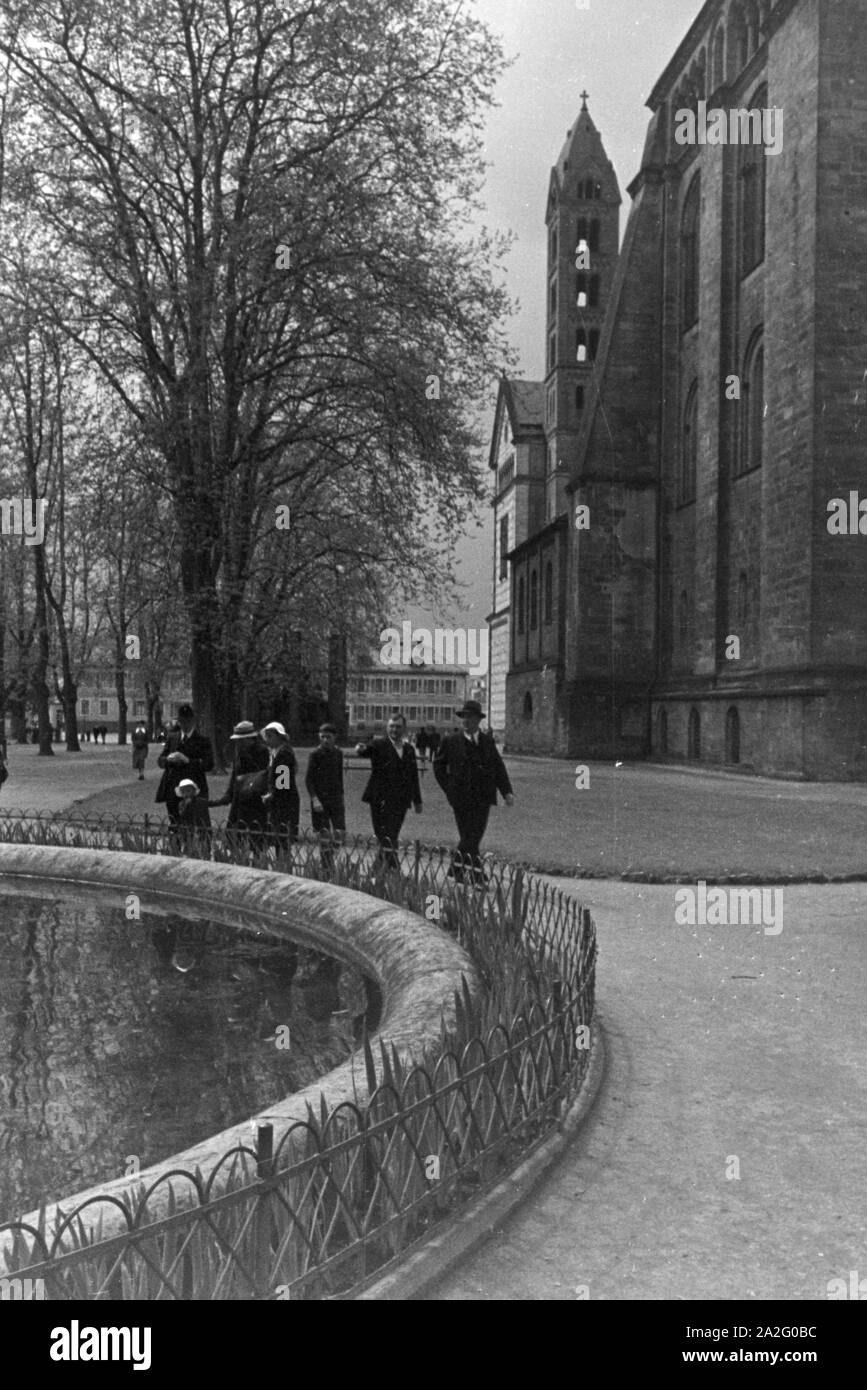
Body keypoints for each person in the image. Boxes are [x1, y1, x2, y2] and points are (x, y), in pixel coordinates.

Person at [433, 699, 514, 884]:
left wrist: (506, 791)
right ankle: (475, 874)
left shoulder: (487, 741)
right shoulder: (451, 741)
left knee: (472, 836)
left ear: (478, 720)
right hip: (460, 798)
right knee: (469, 836)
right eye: (463, 717)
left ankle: (458, 870)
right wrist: (449, 788)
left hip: (483, 797)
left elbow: (498, 767)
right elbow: (438, 765)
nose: (466, 720)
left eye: (470, 717)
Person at [355, 713, 422, 870]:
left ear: (404, 729)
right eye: (391, 726)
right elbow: (366, 750)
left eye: (398, 726)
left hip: (400, 800)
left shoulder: (409, 749)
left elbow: (413, 777)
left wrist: (417, 801)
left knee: (391, 835)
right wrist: (360, 749)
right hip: (379, 799)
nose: (394, 730)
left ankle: (380, 868)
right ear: (387, 728)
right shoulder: (380, 745)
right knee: (384, 835)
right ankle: (393, 868)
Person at [209, 720, 270, 854]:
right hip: (239, 803)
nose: (238, 743)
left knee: (257, 844)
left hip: (255, 804)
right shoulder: (241, 753)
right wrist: (228, 795)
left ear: (250, 738)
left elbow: (262, 776)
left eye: (241, 740)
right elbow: (235, 778)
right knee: (234, 841)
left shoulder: (262, 752)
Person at [155, 703, 215, 826]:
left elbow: (209, 764)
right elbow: (160, 760)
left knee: (193, 824)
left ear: (193, 721)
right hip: (173, 787)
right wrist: (168, 759)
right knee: (175, 823)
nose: (184, 725)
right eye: (181, 722)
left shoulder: (202, 740)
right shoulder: (173, 738)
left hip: (193, 788)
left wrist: (188, 760)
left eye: (187, 722)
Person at [305, 723, 345, 870]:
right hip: (320, 800)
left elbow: (339, 776)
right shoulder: (315, 754)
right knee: (324, 836)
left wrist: (341, 795)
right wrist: (314, 799)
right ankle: (326, 868)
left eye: (329, 737)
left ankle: (332, 859)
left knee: (340, 832)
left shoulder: (338, 753)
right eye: (323, 737)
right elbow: (308, 780)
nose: (326, 740)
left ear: (335, 737)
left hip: (336, 798)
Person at [261, 721, 300, 848]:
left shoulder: (284, 753)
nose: (267, 740)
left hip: (284, 802)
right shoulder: (275, 752)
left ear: (279, 736)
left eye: (270, 736)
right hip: (279, 800)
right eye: (266, 736)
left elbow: (283, 782)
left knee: (282, 838)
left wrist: (272, 795)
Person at [172, 777, 212, 856]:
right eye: (183, 792)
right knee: (189, 848)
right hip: (189, 831)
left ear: (194, 791)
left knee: (203, 848)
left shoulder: (200, 801)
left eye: (189, 791)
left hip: (202, 829)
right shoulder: (182, 804)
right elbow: (182, 815)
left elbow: (211, 803)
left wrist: (223, 801)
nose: (186, 794)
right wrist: (187, 805)